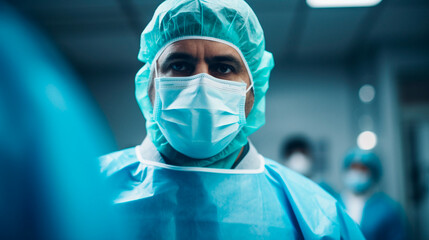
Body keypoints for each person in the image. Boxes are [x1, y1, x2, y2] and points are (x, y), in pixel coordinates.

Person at [99, 0, 364, 238]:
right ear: (150, 85)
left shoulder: (316, 217)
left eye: (223, 68)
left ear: (253, 89)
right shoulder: (87, 191)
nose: (201, 85)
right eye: (180, 65)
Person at [341, 148, 408, 240]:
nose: (356, 173)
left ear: (373, 174)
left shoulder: (388, 209)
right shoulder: (334, 203)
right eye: (353, 168)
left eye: (363, 169)